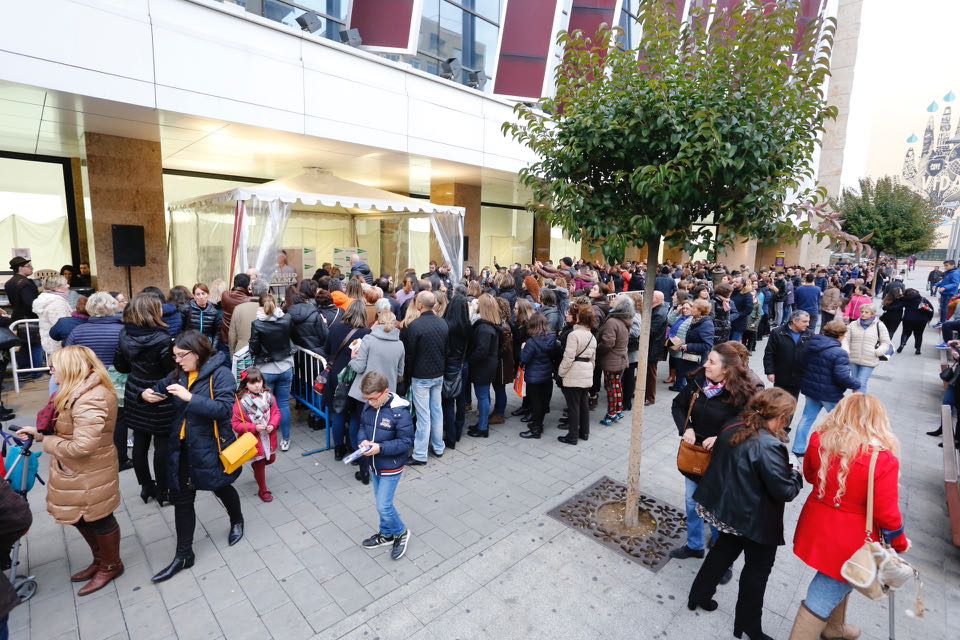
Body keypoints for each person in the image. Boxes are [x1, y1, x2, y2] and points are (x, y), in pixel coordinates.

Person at [789, 394, 910, 639]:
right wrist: (900, 542)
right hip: (850, 540)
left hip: (816, 525)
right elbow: (887, 514)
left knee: (839, 580)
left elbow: (811, 477)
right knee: (823, 593)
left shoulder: (818, 440)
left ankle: (835, 628)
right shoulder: (882, 459)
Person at [686, 389, 803, 640]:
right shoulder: (768, 445)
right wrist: (795, 470)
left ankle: (699, 594)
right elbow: (786, 490)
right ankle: (749, 626)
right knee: (757, 572)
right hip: (755, 519)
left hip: (730, 510)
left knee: (722, 552)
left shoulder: (736, 423)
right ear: (782, 417)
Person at [16, 345, 123, 596]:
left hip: (90, 470)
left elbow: (83, 445)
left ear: (71, 368)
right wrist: (40, 435)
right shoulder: (78, 391)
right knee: (82, 516)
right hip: (78, 470)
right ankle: (100, 561)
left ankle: (110, 565)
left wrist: (48, 443)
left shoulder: (90, 398)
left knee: (98, 517)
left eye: (54, 366)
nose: (51, 370)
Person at [144, 331, 244, 583]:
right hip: (183, 446)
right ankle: (184, 554)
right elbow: (157, 388)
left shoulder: (220, 373)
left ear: (197, 353)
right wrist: (146, 394)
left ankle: (236, 520)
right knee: (182, 499)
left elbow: (223, 409)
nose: (176, 361)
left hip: (210, 446)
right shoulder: (179, 373)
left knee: (221, 486)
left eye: (181, 355)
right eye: (174, 355)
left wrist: (190, 397)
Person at [670, 342, 757, 560]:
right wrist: (686, 427)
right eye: (707, 360)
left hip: (723, 459)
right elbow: (677, 405)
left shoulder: (743, 393)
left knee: (715, 510)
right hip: (695, 453)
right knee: (692, 503)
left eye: (712, 362)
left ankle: (719, 559)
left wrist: (720, 438)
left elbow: (749, 426)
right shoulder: (698, 382)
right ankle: (695, 545)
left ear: (726, 369)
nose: (706, 365)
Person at [114, 293, 176, 506]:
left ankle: (146, 487)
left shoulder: (124, 334)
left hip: (135, 392)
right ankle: (164, 489)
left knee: (140, 442)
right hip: (160, 393)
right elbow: (171, 371)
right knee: (162, 444)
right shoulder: (163, 338)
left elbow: (121, 366)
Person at [65, 292, 128, 468]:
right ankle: (120, 458)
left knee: (89, 416)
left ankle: (93, 454)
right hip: (117, 381)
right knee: (119, 419)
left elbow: (68, 356)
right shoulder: (122, 330)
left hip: (87, 380)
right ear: (113, 307)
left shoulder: (78, 331)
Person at [357, 371, 414, 560]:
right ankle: (386, 534)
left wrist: (380, 448)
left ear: (385, 392)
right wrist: (362, 441)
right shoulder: (368, 406)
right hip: (374, 464)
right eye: (366, 399)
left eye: (373, 399)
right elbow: (362, 428)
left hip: (391, 466)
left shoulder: (400, 413)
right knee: (382, 503)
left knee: (383, 505)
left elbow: (406, 443)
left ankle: (401, 532)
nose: (369, 403)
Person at [347, 310, 405, 483]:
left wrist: (352, 358)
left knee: (360, 427)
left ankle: (362, 467)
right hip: (386, 393)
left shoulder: (369, 340)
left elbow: (358, 367)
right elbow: (400, 372)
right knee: (382, 430)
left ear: (378, 322)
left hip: (365, 393)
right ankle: (379, 465)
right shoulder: (400, 344)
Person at [792, 321, 860, 457]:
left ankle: (798, 449)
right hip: (830, 394)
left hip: (811, 389)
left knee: (806, 418)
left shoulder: (811, 344)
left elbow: (801, 362)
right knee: (841, 422)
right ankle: (838, 450)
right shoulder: (839, 353)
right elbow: (842, 376)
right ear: (840, 335)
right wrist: (855, 384)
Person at [401, 291, 448, 465]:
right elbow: (446, 350)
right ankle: (438, 446)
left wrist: (408, 376)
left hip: (421, 376)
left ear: (420, 305)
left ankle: (420, 454)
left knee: (423, 416)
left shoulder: (415, 326)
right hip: (438, 374)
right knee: (437, 411)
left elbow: (410, 355)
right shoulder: (443, 323)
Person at [325, 300, 371, 460]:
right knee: (355, 415)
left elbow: (327, 349)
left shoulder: (335, 328)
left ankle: (338, 449)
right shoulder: (366, 332)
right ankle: (353, 447)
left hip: (336, 375)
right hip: (355, 377)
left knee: (338, 412)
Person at [248, 293, 294, 451]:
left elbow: (253, 349)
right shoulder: (286, 319)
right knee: (283, 404)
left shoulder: (256, 324)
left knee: (265, 405)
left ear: (260, 306)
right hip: (286, 366)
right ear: (275, 304)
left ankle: (269, 439)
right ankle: (286, 439)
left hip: (266, 369)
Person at [232, 367, 280, 502]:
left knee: (270, 459)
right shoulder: (240, 403)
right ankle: (263, 490)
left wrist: (273, 424)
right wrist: (254, 427)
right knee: (260, 464)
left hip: (269, 436)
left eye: (259, 381)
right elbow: (236, 424)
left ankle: (256, 469)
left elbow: (276, 412)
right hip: (254, 439)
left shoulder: (269, 396)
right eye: (253, 383)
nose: (257, 385)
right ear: (245, 384)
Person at [557, 303, 596, 445]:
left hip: (574, 371)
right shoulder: (592, 336)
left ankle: (572, 436)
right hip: (586, 372)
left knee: (573, 406)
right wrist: (588, 371)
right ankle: (584, 432)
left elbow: (568, 357)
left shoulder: (574, 335)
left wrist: (561, 373)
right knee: (584, 404)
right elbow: (593, 359)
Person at [518, 313, 559, 439]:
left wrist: (522, 349)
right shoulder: (552, 339)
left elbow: (524, 359)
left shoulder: (531, 342)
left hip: (534, 378)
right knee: (543, 403)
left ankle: (536, 430)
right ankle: (538, 424)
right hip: (547, 375)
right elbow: (556, 355)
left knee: (536, 404)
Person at [467, 294, 501, 438]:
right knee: (484, 395)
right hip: (488, 365)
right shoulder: (490, 325)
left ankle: (482, 427)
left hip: (483, 367)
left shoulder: (484, 328)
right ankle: (483, 423)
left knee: (482, 396)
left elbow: (481, 351)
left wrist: (470, 359)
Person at [442, 294, 472, 449]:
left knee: (447, 400)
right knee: (461, 398)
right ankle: (459, 429)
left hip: (449, 365)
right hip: (463, 364)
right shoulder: (468, 325)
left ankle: (450, 434)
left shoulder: (445, 325)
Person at [597, 295, 632, 426]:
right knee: (617, 386)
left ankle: (611, 414)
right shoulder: (624, 319)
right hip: (620, 358)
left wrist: (597, 349)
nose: (612, 300)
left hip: (612, 360)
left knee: (611, 388)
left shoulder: (613, 321)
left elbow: (607, 343)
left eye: (615, 299)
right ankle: (618, 410)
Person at [842, 304, 891, 395]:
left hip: (869, 359)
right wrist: (846, 349)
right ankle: (856, 402)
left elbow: (885, 342)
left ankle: (860, 406)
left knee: (861, 383)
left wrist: (878, 351)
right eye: (862, 312)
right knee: (855, 384)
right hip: (853, 358)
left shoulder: (879, 325)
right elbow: (845, 338)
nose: (863, 314)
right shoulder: (853, 324)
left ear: (872, 314)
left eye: (866, 312)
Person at [762, 311, 812, 399]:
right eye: (804, 321)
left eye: (808, 321)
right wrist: (770, 372)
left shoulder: (809, 334)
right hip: (781, 376)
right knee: (778, 403)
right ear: (794, 321)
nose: (807, 324)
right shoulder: (777, 333)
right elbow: (769, 353)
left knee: (791, 403)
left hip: (798, 378)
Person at [33, 275, 73, 369]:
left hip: (53, 341)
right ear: (57, 287)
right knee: (61, 371)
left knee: (57, 371)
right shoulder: (56, 303)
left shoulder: (51, 300)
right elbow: (61, 325)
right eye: (65, 284)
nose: (68, 286)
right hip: (58, 344)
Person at [675, 299, 716, 392]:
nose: (691, 309)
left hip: (697, 362)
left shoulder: (706, 324)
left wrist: (689, 346)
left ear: (700, 310)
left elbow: (707, 345)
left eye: (693, 307)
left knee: (694, 386)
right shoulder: (695, 320)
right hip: (689, 360)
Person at [228, 278, 269, 356]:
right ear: (267, 292)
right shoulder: (273, 310)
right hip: (266, 355)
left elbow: (232, 335)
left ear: (252, 291)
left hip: (242, 353)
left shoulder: (238, 308)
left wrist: (232, 354)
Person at [643, 291, 669, 406]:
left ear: (657, 299)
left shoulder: (659, 312)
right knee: (646, 372)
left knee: (650, 373)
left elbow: (651, 331)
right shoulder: (657, 309)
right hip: (651, 346)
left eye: (651, 296)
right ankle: (644, 393)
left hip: (653, 347)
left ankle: (650, 397)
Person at [219, 273, 252, 350]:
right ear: (247, 286)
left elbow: (230, 291)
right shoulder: (249, 300)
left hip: (226, 338)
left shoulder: (225, 295)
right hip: (242, 341)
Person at [899, 288, 934, 354]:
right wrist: (929, 318)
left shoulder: (905, 299)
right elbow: (931, 309)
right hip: (921, 320)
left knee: (905, 333)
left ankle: (902, 344)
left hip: (908, 319)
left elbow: (898, 304)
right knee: (918, 334)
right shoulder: (923, 299)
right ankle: (918, 349)